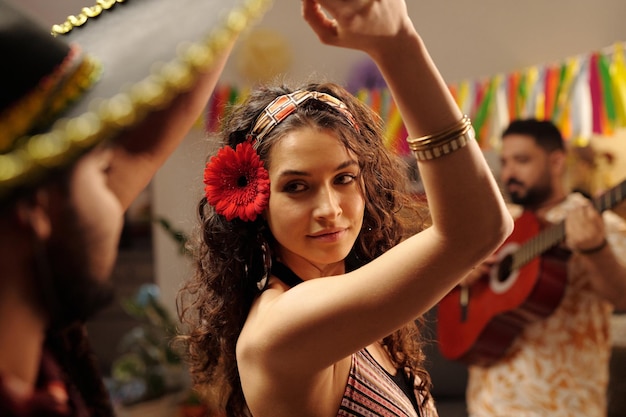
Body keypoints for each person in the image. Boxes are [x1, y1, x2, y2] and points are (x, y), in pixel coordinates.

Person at [177, 1, 513, 416]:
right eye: (297, 187)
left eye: (344, 178)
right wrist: (398, 45)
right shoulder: (281, 327)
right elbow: (477, 229)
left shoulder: (358, 303)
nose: (330, 209)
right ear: (257, 202)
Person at [0, 0, 268, 415]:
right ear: (36, 209)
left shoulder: (43, 346)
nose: (117, 180)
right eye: (99, 167)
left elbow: (142, 147)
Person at [462, 119, 626, 416]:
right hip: (486, 405)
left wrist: (596, 250)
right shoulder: (499, 227)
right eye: (506, 162)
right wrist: (460, 277)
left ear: (556, 161)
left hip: (565, 406)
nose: (509, 172)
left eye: (522, 160)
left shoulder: (599, 223)